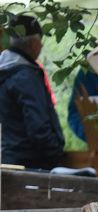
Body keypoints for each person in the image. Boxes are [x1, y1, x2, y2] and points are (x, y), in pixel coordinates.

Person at [0, 14, 65, 170]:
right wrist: (54, 153)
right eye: (40, 42)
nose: (41, 47)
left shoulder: (5, 72)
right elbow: (38, 125)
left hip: (10, 157)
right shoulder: (25, 76)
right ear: (33, 43)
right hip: (34, 161)